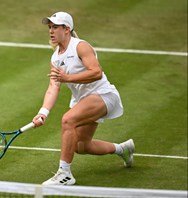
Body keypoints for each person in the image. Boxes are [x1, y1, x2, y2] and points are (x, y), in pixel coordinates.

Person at [32, 11, 135, 185]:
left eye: (55, 27)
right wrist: (43, 113)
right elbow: (53, 87)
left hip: (103, 96)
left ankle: (65, 174)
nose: (51, 30)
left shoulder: (80, 46)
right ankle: (122, 149)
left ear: (66, 29)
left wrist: (68, 78)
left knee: (68, 120)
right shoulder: (55, 57)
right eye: (50, 27)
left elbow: (96, 72)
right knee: (81, 146)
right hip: (84, 101)